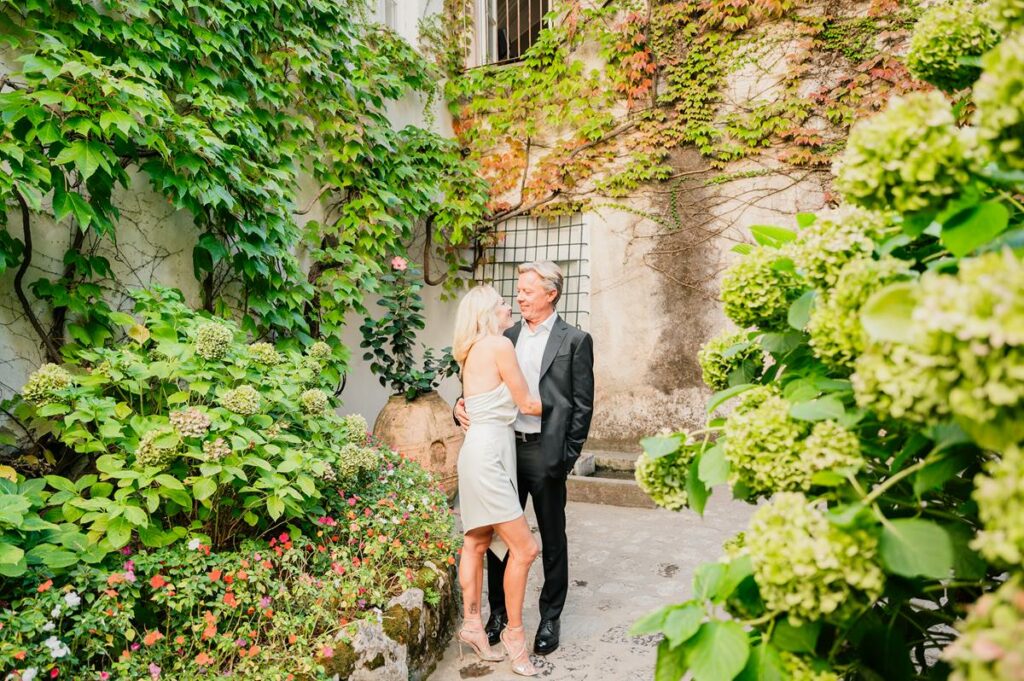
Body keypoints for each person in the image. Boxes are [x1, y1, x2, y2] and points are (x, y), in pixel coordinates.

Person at [456, 261, 595, 657]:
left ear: (551, 294)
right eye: (517, 291)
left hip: (546, 453)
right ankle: (498, 615)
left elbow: (582, 406)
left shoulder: (575, 341)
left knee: (552, 540)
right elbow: (473, 384)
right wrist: (458, 408)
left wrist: (566, 457)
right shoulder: (505, 335)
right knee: (500, 537)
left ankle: (550, 617)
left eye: (527, 291)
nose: (519, 298)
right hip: (502, 450)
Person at [452, 284, 543, 677]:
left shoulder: (471, 351)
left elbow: (476, 400)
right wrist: (568, 401)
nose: (511, 306)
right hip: (489, 455)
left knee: (476, 541)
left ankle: (473, 625)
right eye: (505, 303)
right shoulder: (499, 345)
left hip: (476, 451)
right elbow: (528, 404)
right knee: (525, 550)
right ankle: (515, 634)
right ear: (491, 312)